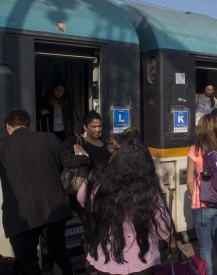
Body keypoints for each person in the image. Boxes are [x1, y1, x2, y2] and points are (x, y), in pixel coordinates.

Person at [0, 109, 88, 275]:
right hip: (52, 209)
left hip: (22, 216)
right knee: (59, 258)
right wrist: (85, 157)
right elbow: (70, 161)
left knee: (27, 263)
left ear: (8, 127)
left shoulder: (2, 146)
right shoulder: (49, 138)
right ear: (29, 124)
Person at [77, 138, 171, 274]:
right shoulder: (149, 190)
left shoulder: (98, 179)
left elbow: (81, 197)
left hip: (104, 256)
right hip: (140, 259)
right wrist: (168, 240)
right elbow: (162, 224)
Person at [187, 113, 217, 275]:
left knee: (205, 247)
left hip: (202, 204)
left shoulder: (195, 149)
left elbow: (190, 180)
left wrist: (193, 196)